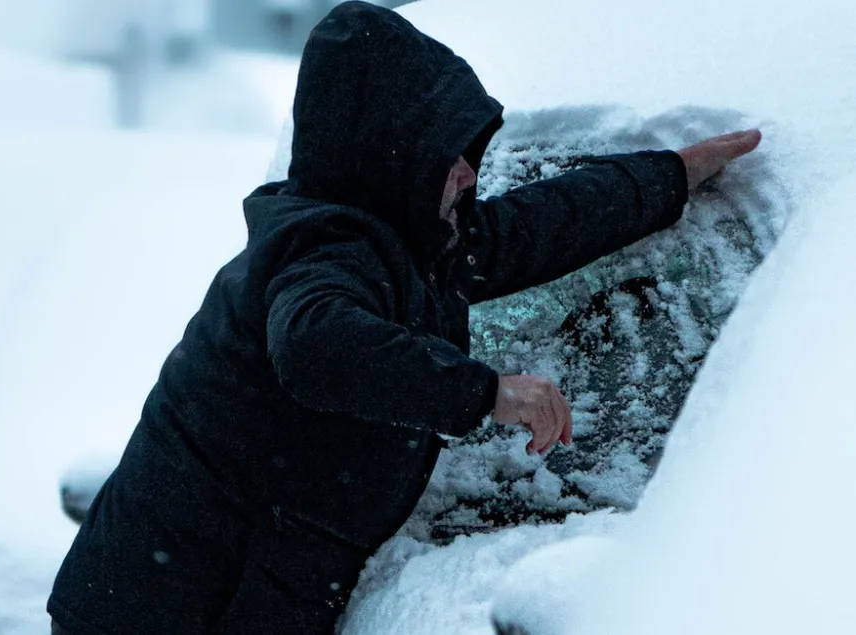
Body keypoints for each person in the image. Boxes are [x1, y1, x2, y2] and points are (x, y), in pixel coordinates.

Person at [47, 2, 761, 633]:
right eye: (449, 152)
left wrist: (670, 176)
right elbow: (317, 345)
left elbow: (532, 228)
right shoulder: (322, 252)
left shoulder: (405, 238)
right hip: (164, 610)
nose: (469, 173)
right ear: (390, 151)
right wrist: (488, 394)